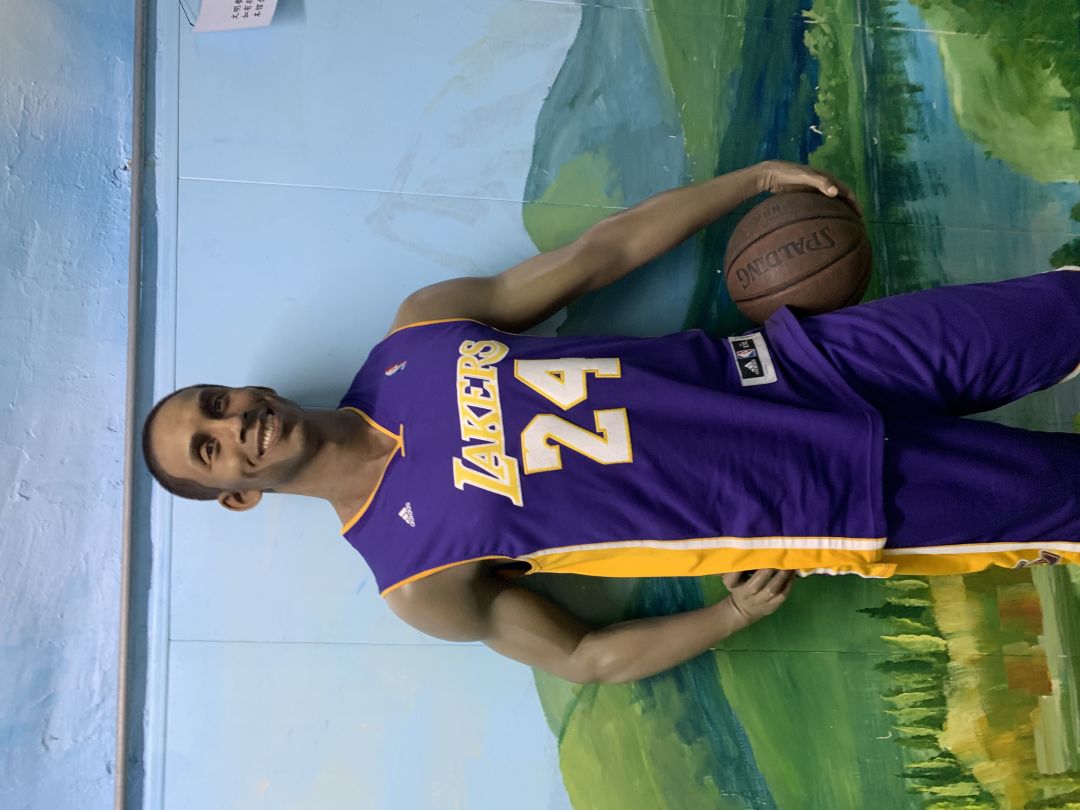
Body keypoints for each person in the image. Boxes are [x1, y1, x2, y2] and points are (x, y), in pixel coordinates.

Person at [142, 161, 1080, 684]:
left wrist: (751, 181)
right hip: (815, 501)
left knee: (1062, 310)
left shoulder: (417, 332)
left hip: (799, 361)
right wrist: (726, 616)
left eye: (216, 402)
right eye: (209, 447)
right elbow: (582, 656)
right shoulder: (414, 578)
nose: (235, 423)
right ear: (234, 496)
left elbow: (602, 253)